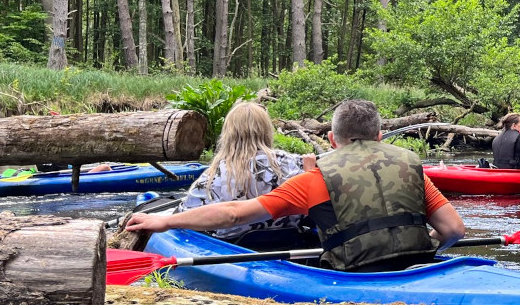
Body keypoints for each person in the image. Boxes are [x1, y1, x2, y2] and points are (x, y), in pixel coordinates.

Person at [127, 99, 464, 271]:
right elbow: (454, 230)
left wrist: (166, 220)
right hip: (415, 264)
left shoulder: (317, 177)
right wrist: (428, 246)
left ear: (332, 139)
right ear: (379, 136)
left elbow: (232, 215)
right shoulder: (412, 167)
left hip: (354, 270)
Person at [172, 100, 314, 241]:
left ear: (229, 133)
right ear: (266, 130)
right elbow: (313, 207)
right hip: (287, 242)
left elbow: (183, 213)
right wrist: (310, 173)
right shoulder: (292, 163)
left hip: (234, 248)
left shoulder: (215, 174)